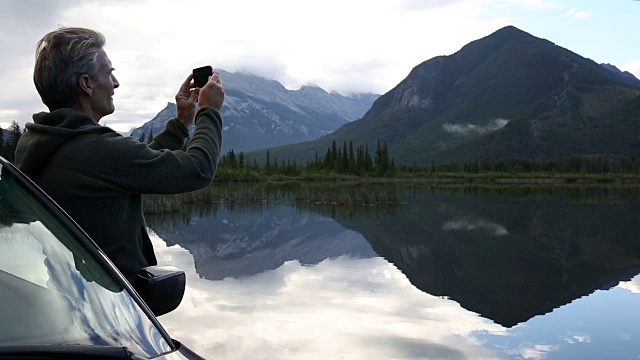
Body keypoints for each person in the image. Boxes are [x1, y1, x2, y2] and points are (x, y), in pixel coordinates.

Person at [14, 27, 224, 285]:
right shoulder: (94, 149)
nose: (115, 83)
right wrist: (209, 112)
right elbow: (198, 170)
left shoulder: (47, 142)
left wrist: (181, 123)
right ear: (86, 84)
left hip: (68, 294)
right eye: (109, 73)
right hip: (108, 310)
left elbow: (132, 165)